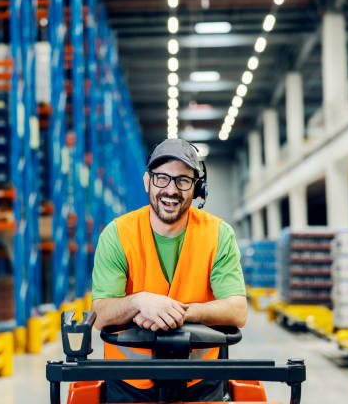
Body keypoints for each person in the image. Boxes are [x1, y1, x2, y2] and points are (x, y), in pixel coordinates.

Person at [91, 138, 247, 403]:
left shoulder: (218, 234)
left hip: (200, 380)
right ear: (147, 182)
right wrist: (140, 301)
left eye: (183, 181)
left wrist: (179, 312)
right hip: (129, 381)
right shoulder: (117, 234)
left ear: (198, 189)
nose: (171, 190)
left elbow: (237, 311)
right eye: (161, 178)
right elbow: (102, 314)